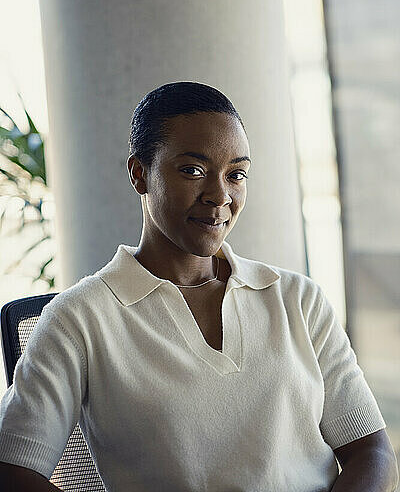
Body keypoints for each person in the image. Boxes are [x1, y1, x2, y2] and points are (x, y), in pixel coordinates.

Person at [0, 81, 398, 492]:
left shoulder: (297, 299)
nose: (219, 195)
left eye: (236, 174)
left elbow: (372, 451)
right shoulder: (79, 319)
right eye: (193, 170)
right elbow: (13, 469)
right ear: (140, 174)